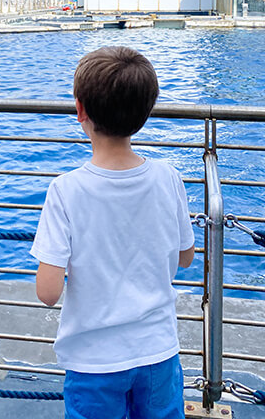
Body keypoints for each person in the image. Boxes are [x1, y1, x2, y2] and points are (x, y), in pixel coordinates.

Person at [30, 46, 195, 418]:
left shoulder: (66, 190)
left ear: (80, 110)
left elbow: (47, 292)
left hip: (94, 361)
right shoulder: (168, 177)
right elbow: (186, 257)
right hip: (158, 351)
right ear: (146, 112)